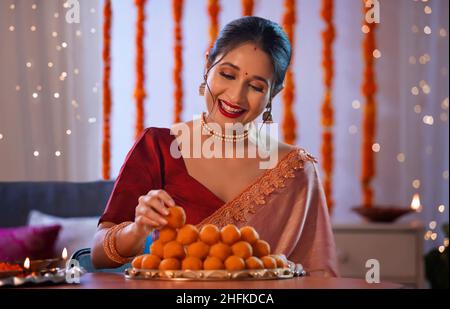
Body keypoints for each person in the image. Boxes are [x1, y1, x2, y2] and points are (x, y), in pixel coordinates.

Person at [92, 16, 339, 277]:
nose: (235, 96)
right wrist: (138, 228)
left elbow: (318, 273)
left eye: (255, 86)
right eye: (227, 74)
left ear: (273, 93)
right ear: (208, 64)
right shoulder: (159, 147)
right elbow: (98, 255)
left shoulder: (294, 169)